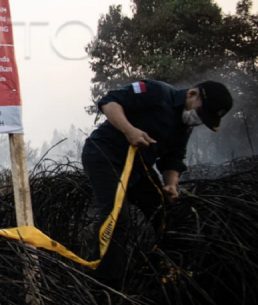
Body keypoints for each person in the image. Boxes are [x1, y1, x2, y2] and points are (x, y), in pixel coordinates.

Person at [81, 79, 233, 288]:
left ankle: (159, 270)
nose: (198, 120)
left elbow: (173, 159)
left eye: (204, 119)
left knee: (166, 214)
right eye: (200, 113)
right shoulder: (156, 92)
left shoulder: (184, 126)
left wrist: (171, 185)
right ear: (191, 94)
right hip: (104, 157)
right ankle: (102, 285)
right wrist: (129, 130)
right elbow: (109, 102)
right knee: (117, 219)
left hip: (138, 168)